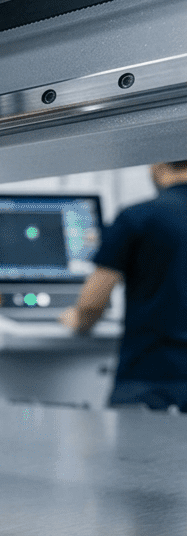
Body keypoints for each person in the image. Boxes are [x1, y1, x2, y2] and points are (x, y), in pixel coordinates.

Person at [61, 161, 187, 410]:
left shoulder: (137, 217)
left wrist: (75, 319)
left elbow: (91, 305)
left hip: (151, 381)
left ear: (157, 166)